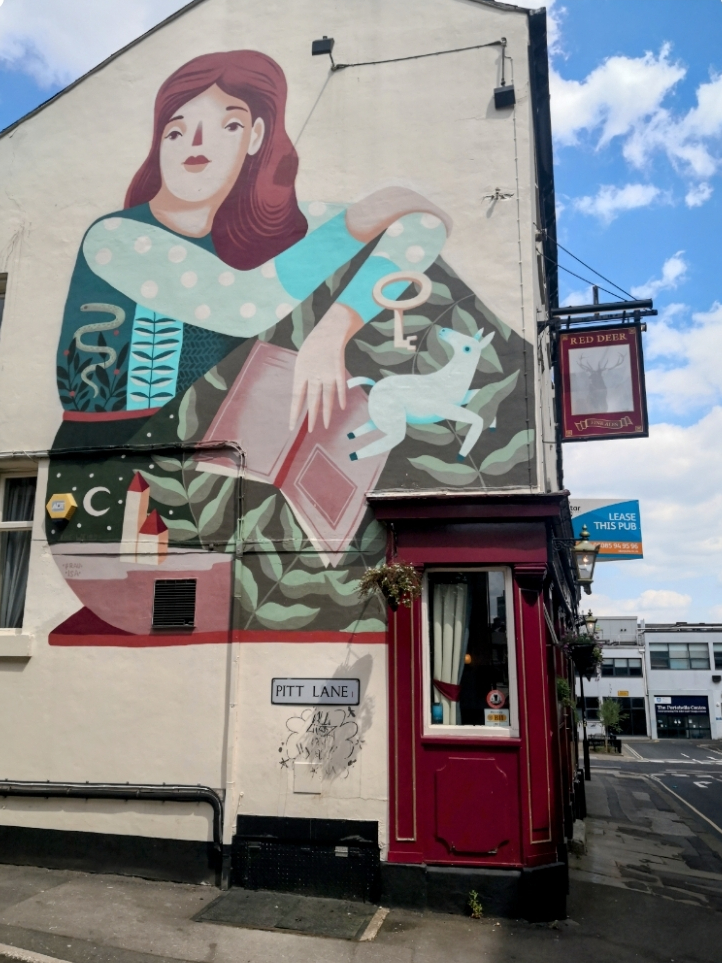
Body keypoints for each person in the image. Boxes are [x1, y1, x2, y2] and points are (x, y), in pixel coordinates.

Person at [56, 49, 452, 436]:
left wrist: (335, 329)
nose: (197, 143)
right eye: (176, 130)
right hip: (113, 447)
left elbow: (423, 225)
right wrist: (360, 221)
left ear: (256, 136)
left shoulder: (267, 225)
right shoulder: (114, 238)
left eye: (228, 126)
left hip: (217, 446)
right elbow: (242, 304)